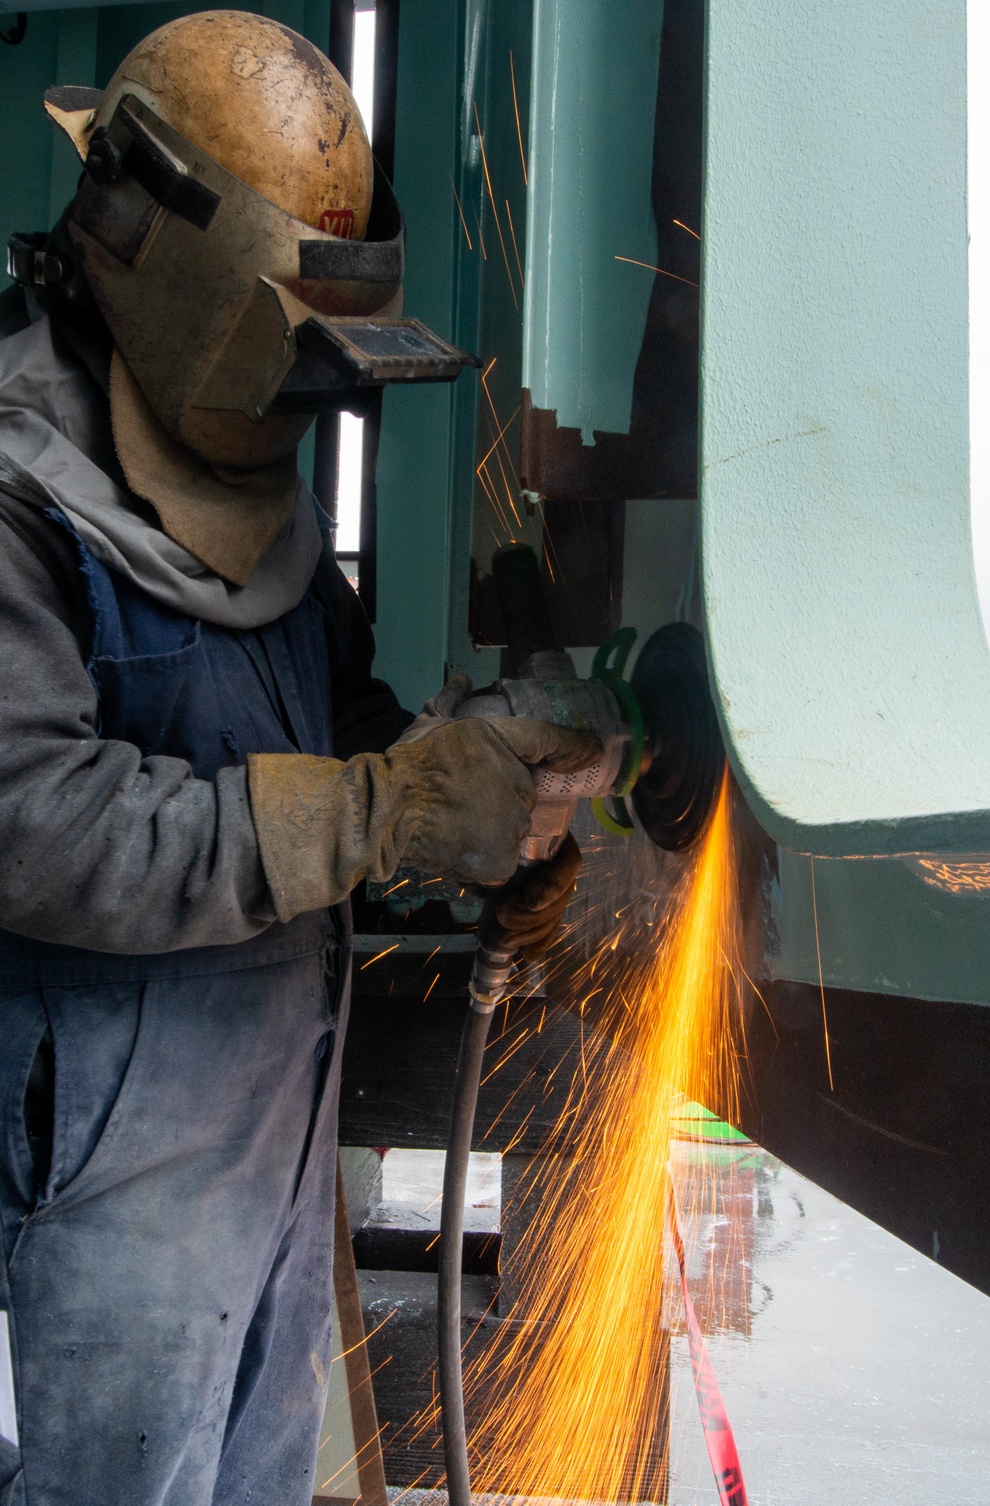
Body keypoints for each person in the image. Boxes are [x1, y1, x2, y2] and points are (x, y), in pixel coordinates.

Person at [0, 13, 596, 1504]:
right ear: (167, 269)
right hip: (111, 1164)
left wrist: (485, 820)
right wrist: (388, 810)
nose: (300, 411)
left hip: (272, 1128)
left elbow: (345, 732)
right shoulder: (22, 491)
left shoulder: (238, 493)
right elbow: (40, 825)